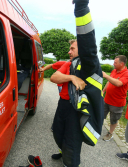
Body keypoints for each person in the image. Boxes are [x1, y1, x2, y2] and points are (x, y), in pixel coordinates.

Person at [50, 0, 105, 166]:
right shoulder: (71, 64)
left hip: (77, 111)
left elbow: (87, 43)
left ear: (81, 49)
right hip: (63, 105)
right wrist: (71, 77)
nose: (69, 51)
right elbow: (54, 78)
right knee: (58, 133)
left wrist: (81, 7)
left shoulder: (90, 65)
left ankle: (70, 162)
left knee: (72, 145)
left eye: (73, 48)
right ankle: (62, 151)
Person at [102, 55, 128, 141]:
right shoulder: (114, 71)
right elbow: (109, 81)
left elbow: (118, 83)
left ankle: (110, 133)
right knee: (101, 114)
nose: (113, 64)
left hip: (117, 103)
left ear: (121, 64)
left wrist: (106, 76)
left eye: (115, 62)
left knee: (113, 119)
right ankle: (95, 129)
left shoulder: (127, 74)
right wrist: (103, 91)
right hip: (107, 99)